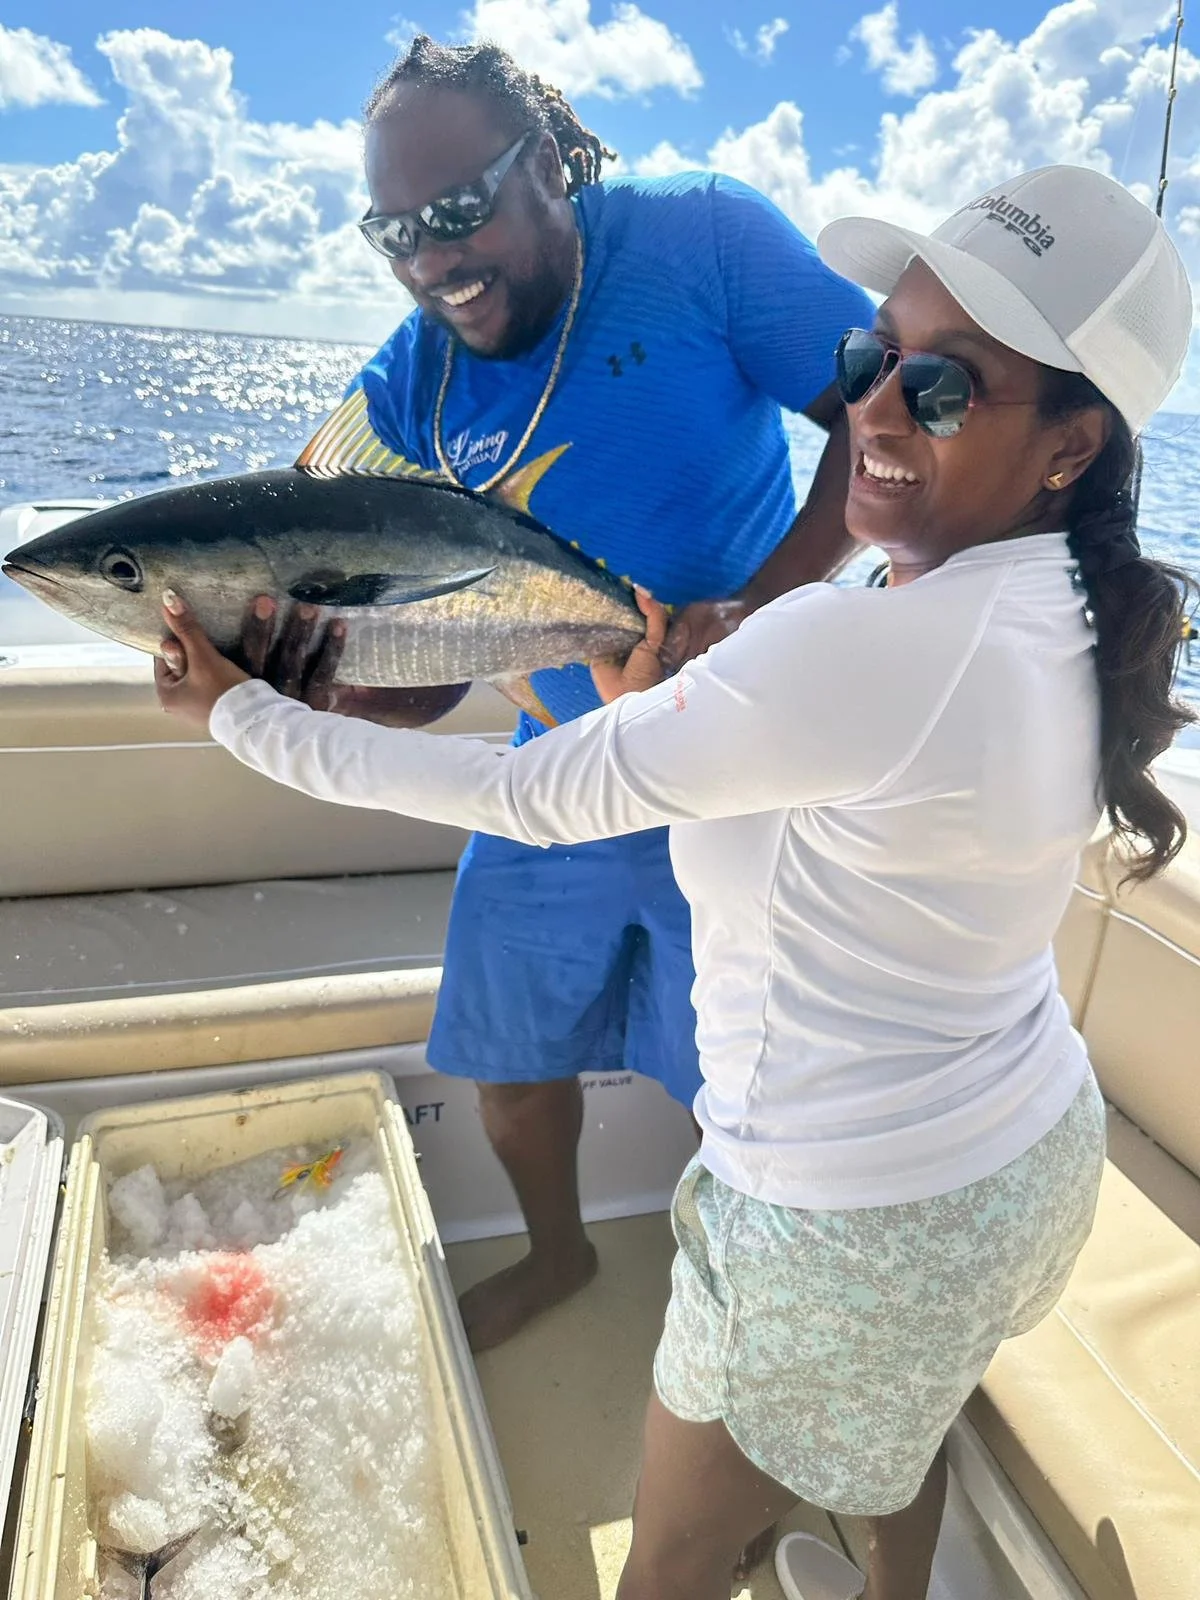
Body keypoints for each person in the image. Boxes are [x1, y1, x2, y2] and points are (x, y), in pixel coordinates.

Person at [155, 163, 1197, 1600]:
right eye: (868, 359)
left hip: (847, 1225)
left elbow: (523, 794)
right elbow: (838, 750)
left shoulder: (868, 639)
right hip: (1010, 1164)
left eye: (943, 391)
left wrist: (237, 713)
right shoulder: (1071, 598)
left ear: (1073, 446)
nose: (875, 413)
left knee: (668, 1567)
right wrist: (640, 690)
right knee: (901, 1429)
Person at [238, 35, 876, 1353]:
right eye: (394, 231)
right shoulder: (411, 384)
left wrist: (756, 612)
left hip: (742, 779)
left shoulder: (702, 238)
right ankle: (559, 1252)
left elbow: (876, 425)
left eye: (459, 213)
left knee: (743, 1092)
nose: (431, 262)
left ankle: (746, 1303)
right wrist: (329, 686)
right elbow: (423, 686)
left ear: (550, 164)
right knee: (505, 1068)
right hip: (551, 777)